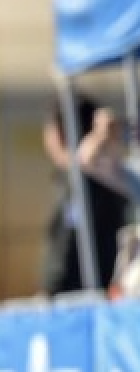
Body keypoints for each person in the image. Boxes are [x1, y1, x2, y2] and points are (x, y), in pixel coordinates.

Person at [42, 94, 128, 296]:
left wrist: (51, 289)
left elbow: (69, 243)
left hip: (81, 297)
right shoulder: (78, 180)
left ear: (59, 133)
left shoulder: (87, 182)